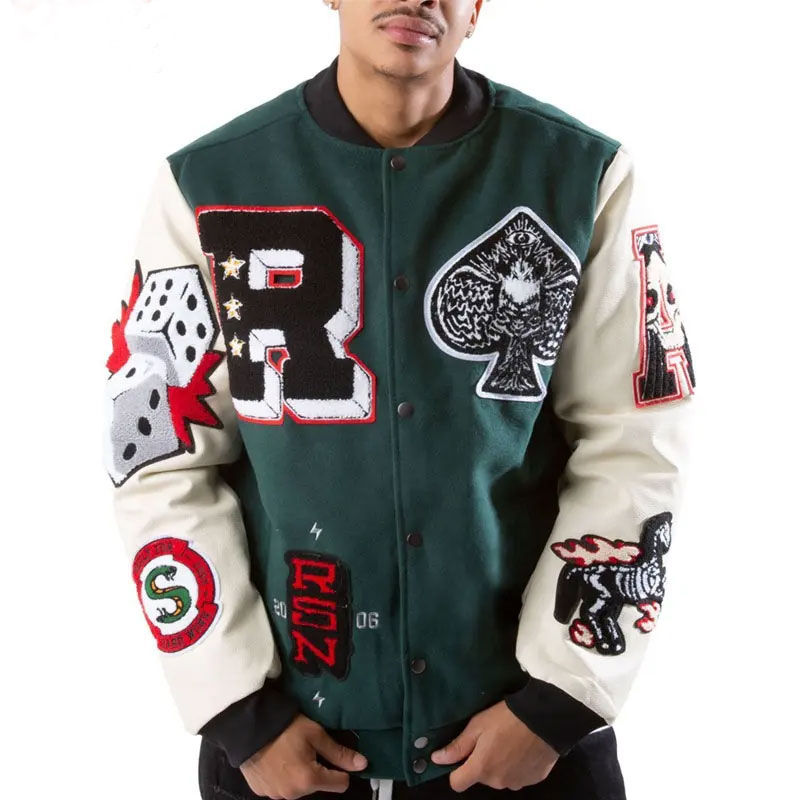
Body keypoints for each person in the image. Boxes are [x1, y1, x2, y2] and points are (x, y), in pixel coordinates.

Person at [102, 1, 696, 798]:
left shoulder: (583, 176)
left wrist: (558, 700)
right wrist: (240, 712)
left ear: (477, 8)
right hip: (289, 749)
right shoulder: (205, 186)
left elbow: (638, 436)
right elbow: (158, 457)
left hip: (529, 748)